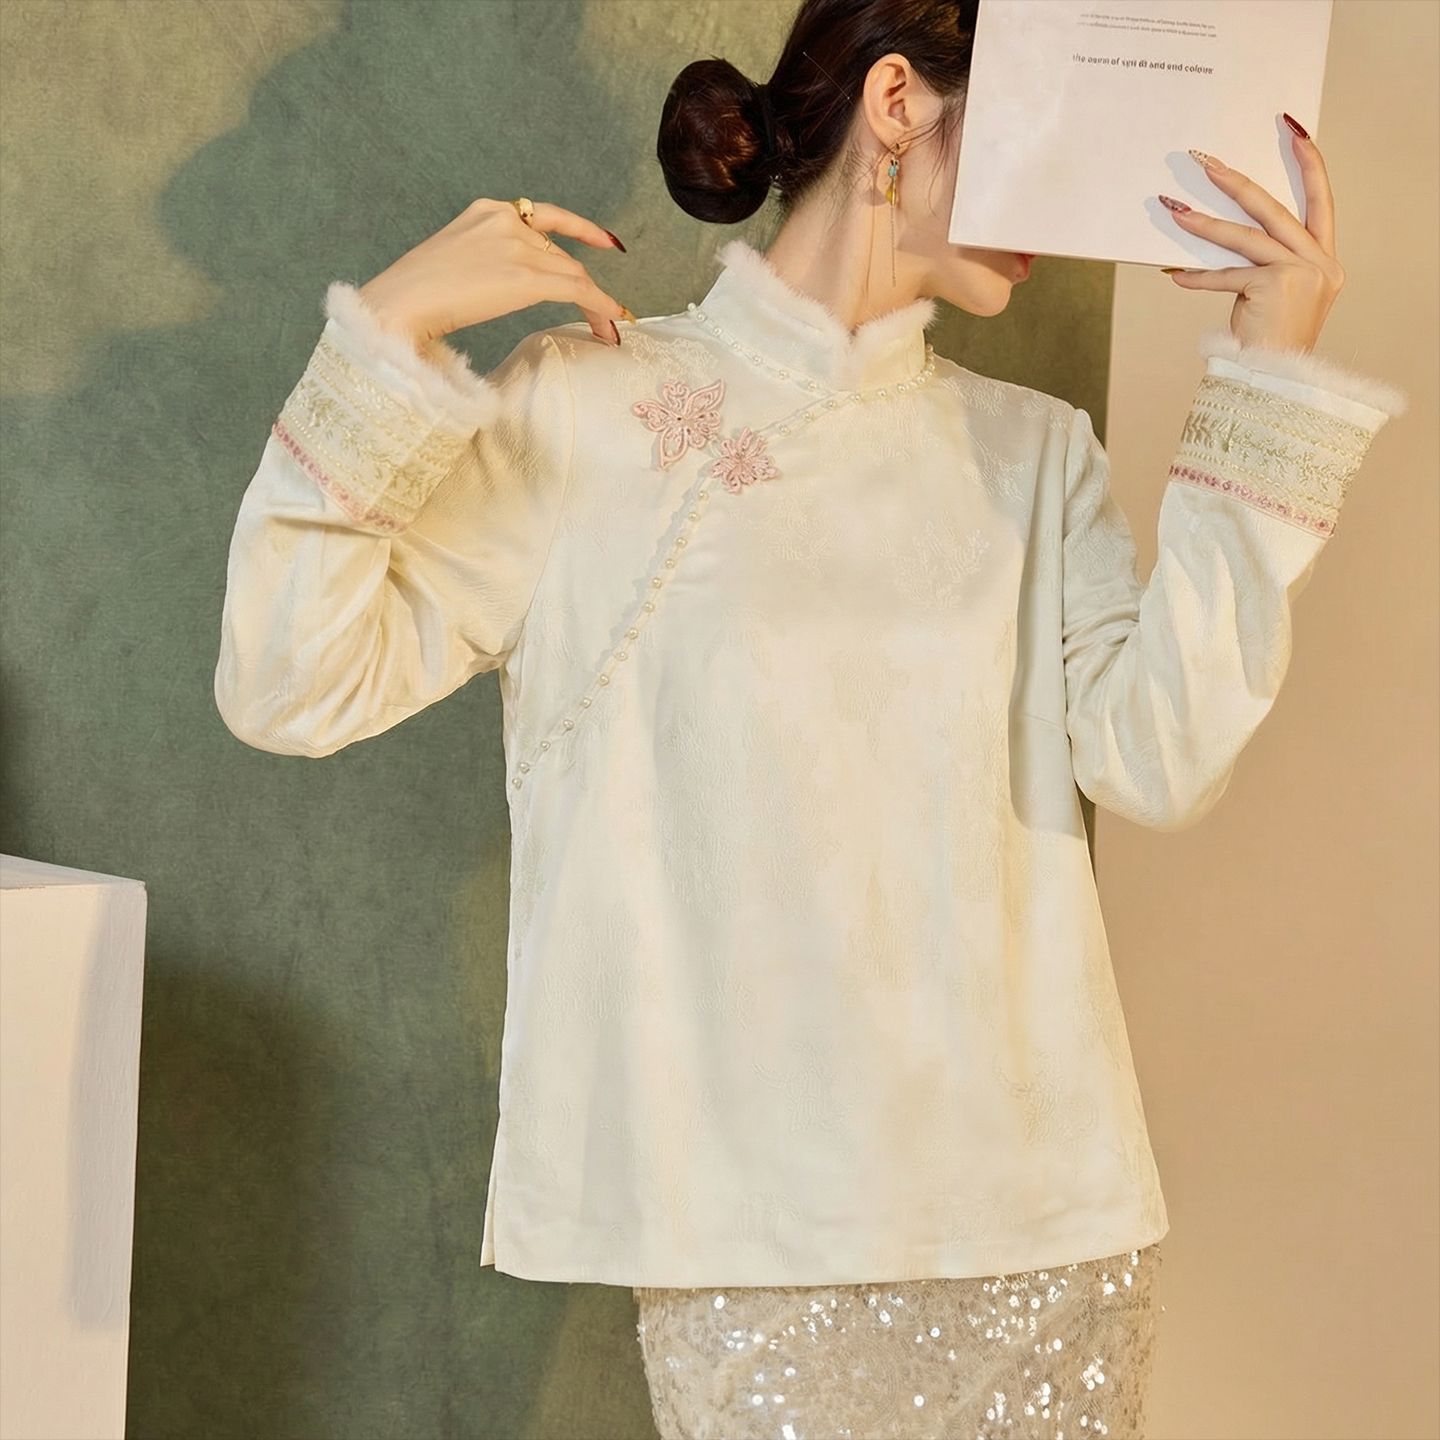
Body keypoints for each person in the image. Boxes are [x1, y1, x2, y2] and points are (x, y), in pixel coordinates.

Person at [212, 1, 1408, 1435]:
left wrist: (1269, 373)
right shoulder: (591, 408)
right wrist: (387, 335)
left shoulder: (1035, 455)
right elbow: (290, 682)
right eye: (1044, 135)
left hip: (1046, 1232)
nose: (1065, 213)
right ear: (899, 101)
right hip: (752, 1246)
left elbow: (1162, 757)